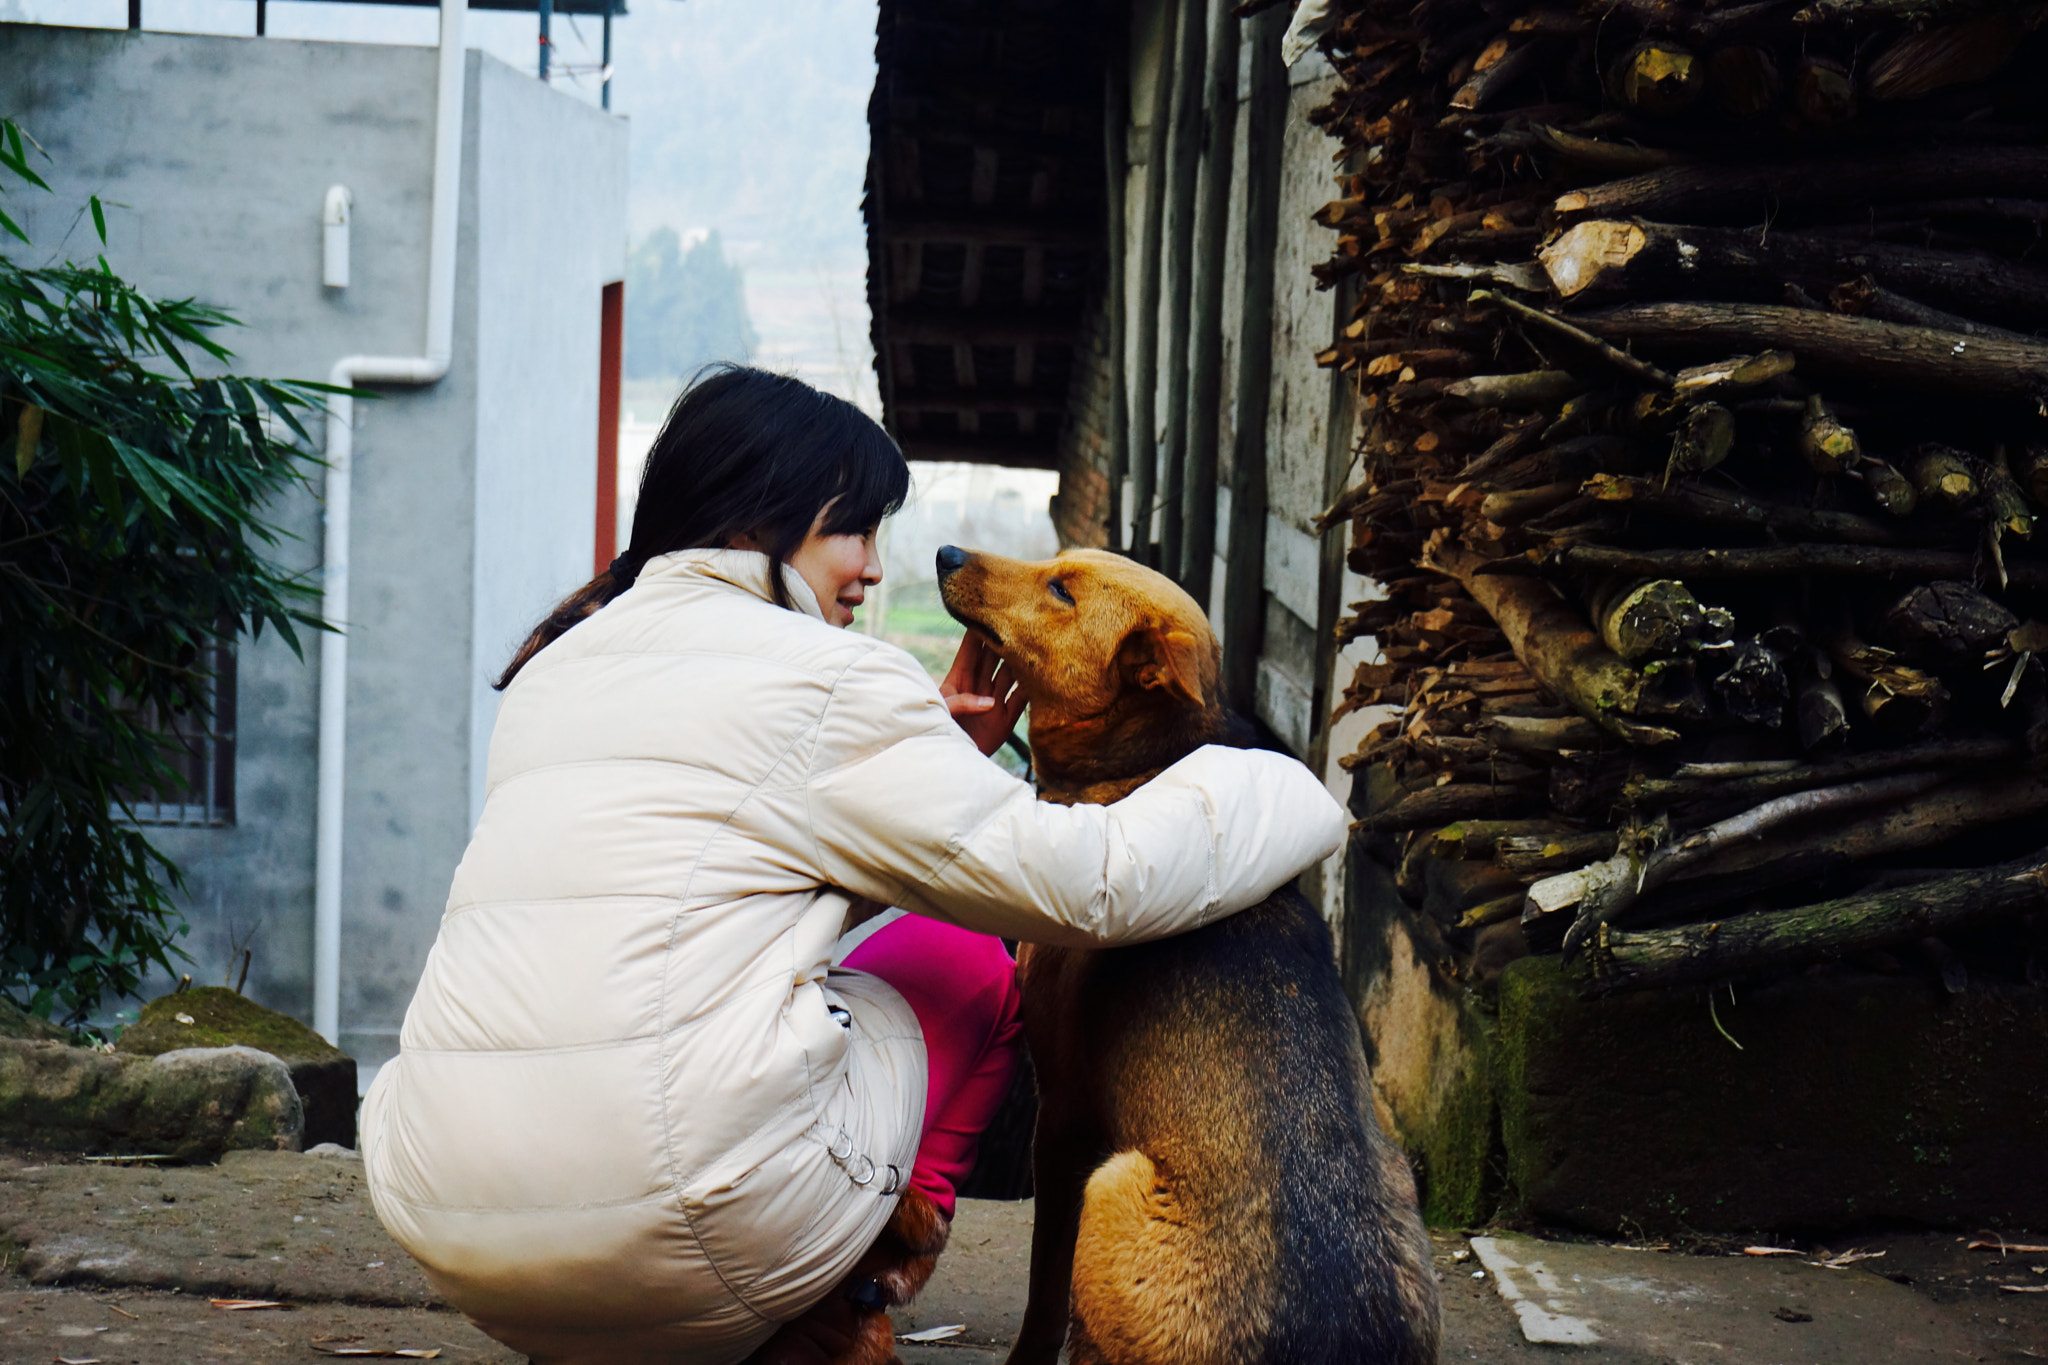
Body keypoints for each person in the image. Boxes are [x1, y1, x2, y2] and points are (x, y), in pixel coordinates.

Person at [360, 366, 1346, 1365]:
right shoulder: (831, 678)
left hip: (449, 1215)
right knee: (962, 956)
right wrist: (1281, 783)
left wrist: (935, 763)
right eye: (854, 531)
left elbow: (719, 863)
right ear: (755, 520)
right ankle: (837, 1311)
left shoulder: (564, 658)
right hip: (685, 1231)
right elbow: (1090, 885)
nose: (874, 567)